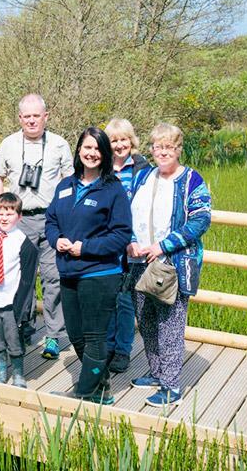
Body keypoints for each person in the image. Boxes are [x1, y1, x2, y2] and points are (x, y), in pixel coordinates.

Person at [45, 127, 132, 405]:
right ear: (79, 150)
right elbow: (51, 221)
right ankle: (101, 384)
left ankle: (83, 394)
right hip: (69, 271)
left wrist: (87, 248)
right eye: (87, 147)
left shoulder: (112, 189)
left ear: (104, 153)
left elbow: (121, 234)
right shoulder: (65, 185)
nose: (92, 153)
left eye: (97, 149)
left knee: (95, 336)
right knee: (75, 334)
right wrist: (56, 239)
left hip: (100, 273)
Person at [128, 123, 211, 408]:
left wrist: (163, 245)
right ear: (151, 149)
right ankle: (156, 372)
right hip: (139, 260)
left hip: (172, 264)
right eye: (157, 147)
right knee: (146, 321)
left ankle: (172, 385)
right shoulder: (142, 177)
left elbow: (200, 220)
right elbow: (126, 213)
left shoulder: (191, 180)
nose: (162, 152)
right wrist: (130, 240)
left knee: (170, 324)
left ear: (178, 149)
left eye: (168, 147)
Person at [0, 93, 73, 360]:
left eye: (36, 115)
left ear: (45, 116)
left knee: (53, 278)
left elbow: (70, 181)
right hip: (19, 219)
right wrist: (0, 208)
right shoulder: (9, 143)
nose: (31, 121)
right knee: (19, 278)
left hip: (50, 219)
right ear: (20, 118)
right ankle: (21, 327)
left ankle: (53, 335)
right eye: (26, 116)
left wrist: (67, 217)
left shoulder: (60, 144)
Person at [104, 118, 150, 373]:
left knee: (124, 299)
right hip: (108, 242)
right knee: (108, 296)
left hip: (131, 244)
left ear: (131, 140)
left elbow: (143, 209)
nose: (120, 145)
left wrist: (132, 239)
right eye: (114, 140)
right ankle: (108, 346)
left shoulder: (143, 169)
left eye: (124, 139)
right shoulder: (103, 168)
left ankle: (122, 350)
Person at [0, 193, 38, 388]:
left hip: (12, 299)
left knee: (14, 337)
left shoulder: (23, 242)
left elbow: (28, 278)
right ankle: (1, 367)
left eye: (10, 214)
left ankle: (19, 372)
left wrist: (24, 304)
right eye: (0, 213)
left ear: (19, 217)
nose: (4, 218)